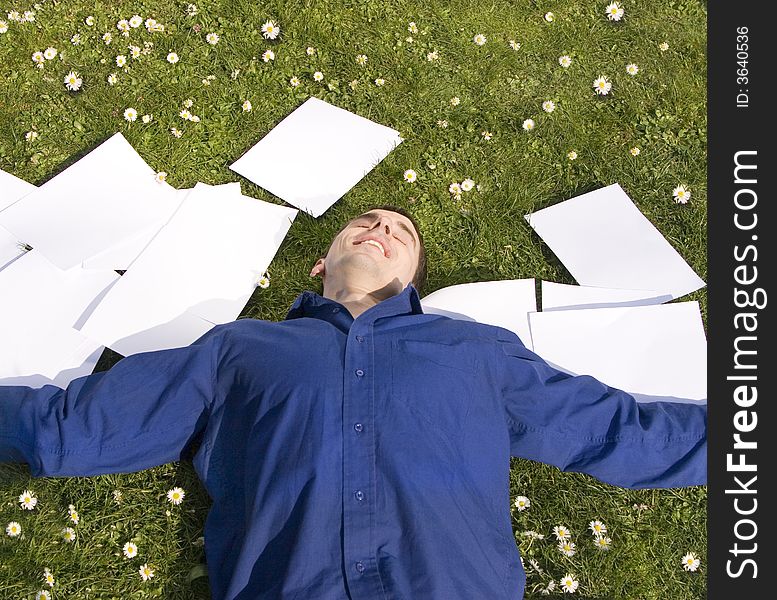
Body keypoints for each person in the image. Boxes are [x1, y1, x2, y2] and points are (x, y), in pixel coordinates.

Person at [0, 206, 706, 600]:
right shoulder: (239, 348)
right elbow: (74, 430)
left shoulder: (477, 354)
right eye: (364, 222)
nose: (381, 229)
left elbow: (621, 432)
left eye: (400, 234)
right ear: (320, 263)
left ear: (412, 282)